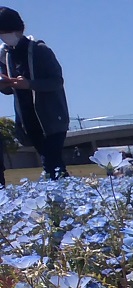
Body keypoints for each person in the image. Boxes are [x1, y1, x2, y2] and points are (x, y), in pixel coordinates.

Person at [0, 8, 69, 180]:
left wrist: (29, 84)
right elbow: (9, 90)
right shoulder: (6, 55)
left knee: (50, 164)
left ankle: (59, 198)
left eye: (5, 32)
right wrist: (4, 84)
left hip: (52, 119)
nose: (3, 37)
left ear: (19, 29)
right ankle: (68, 198)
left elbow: (57, 81)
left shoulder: (40, 50)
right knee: (55, 165)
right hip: (28, 120)